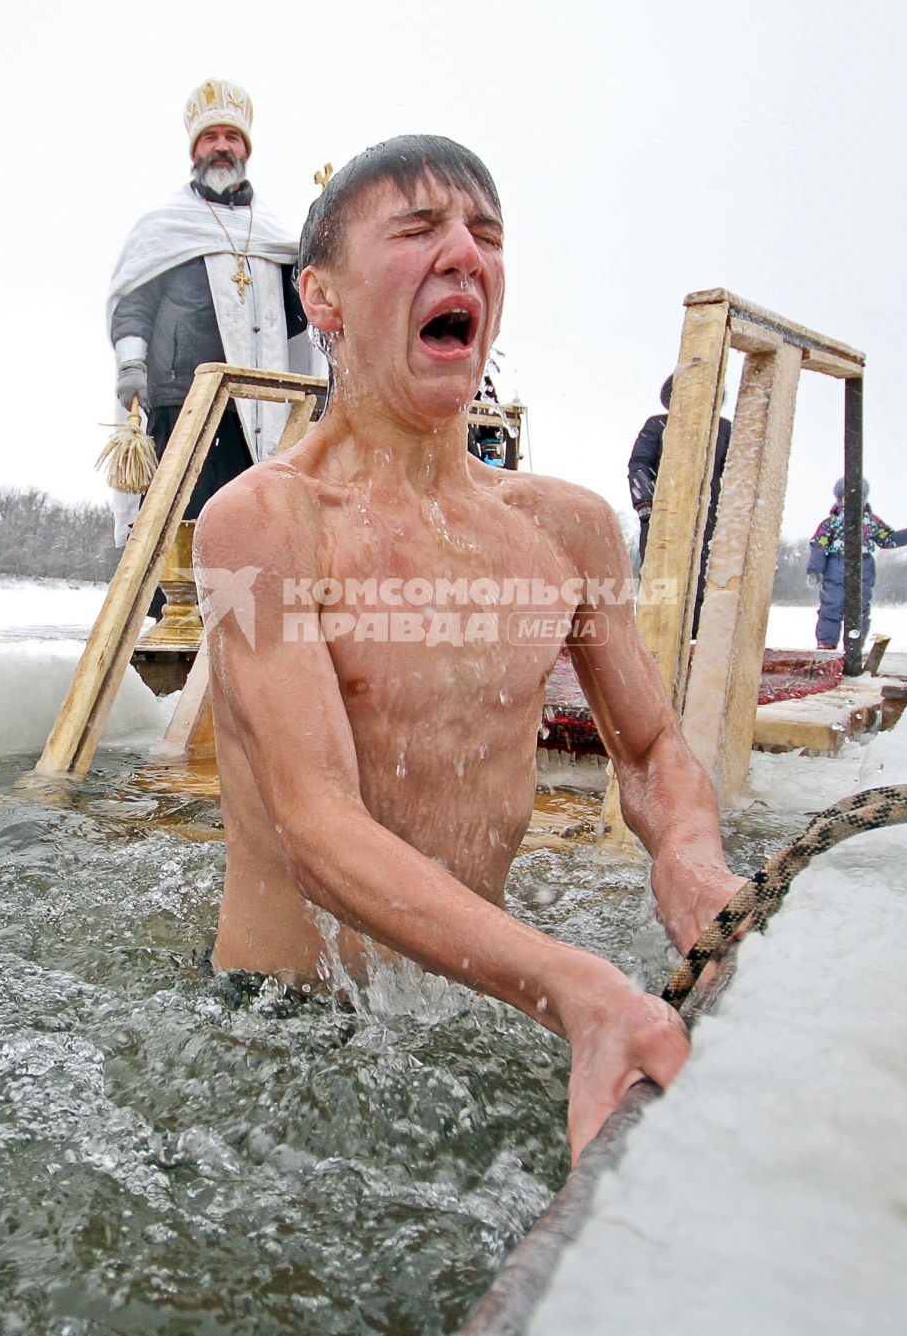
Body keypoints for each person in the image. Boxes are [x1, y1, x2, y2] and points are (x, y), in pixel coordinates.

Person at [181, 135, 747, 1163]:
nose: (463, 255)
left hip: (474, 1007)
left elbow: (651, 751)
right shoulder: (260, 524)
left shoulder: (565, 529)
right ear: (325, 297)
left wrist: (690, 857)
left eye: (485, 236)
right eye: (415, 231)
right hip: (287, 1029)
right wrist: (573, 985)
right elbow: (314, 824)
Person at [105, 77, 317, 546]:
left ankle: (242, 619)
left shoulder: (272, 232)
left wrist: (321, 253)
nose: (221, 147)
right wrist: (132, 363)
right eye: (210, 137)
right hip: (180, 402)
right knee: (176, 529)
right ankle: (172, 620)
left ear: (246, 149)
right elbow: (133, 304)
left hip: (255, 411)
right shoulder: (164, 226)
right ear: (194, 150)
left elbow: (301, 313)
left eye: (232, 137)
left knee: (245, 533)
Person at [627, 375, 731, 632]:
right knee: (659, 576)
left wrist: (731, 513)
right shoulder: (658, 426)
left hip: (708, 516)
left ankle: (696, 637)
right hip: (662, 515)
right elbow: (639, 465)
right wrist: (646, 506)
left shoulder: (723, 429)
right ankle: (654, 635)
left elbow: (735, 471)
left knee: (702, 575)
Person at [805, 479, 907, 650]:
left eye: (857, 497)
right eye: (846, 498)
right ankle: (826, 643)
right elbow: (819, 546)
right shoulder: (831, 523)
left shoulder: (871, 522)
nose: (851, 502)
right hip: (836, 566)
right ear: (839, 499)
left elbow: (888, 539)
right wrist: (815, 570)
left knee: (859, 608)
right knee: (831, 606)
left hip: (863, 567)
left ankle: (854, 644)